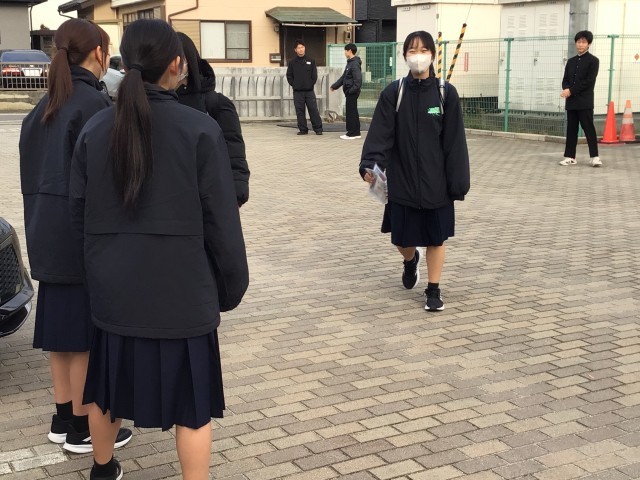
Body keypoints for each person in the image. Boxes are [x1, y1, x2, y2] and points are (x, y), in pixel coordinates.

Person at [69, 19, 249, 480]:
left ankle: (102, 470)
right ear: (176, 64)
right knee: (193, 408)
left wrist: (96, 277)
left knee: (106, 392)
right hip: (183, 295)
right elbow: (222, 223)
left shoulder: (96, 128)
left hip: (114, 293)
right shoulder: (200, 129)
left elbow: (78, 216)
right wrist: (229, 287)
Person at [19, 18, 133, 455]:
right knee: (84, 338)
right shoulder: (94, 105)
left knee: (59, 336)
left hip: (44, 234)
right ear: (99, 53)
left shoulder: (42, 107)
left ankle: (64, 417)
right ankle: (86, 425)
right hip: (82, 237)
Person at [359, 31, 470, 312]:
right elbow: (380, 134)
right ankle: (410, 260)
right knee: (401, 238)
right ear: (404, 56)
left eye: (423, 50)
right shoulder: (394, 92)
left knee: (436, 238)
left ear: (432, 54)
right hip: (402, 180)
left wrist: (457, 182)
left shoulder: (445, 93)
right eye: (412, 50)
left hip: (436, 183)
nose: (418, 56)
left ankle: (433, 290)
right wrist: (370, 165)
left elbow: (455, 142)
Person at [175, 32, 250, 207]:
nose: (174, 67)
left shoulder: (216, 103)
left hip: (210, 196)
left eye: (179, 60)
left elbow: (234, 149)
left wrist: (237, 193)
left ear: (190, 61)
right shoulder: (156, 103)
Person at [559, 30, 601, 167]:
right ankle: (570, 156)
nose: (580, 44)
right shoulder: (571, 61)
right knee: (571, 129)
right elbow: (565, 79)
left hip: (585, 101)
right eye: (578, 42)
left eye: (583, 42)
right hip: (571, 101)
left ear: (589, 44)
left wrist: (570, 91)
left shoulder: (593, 61)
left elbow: (588, 82)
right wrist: (566, 89)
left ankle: (594, 157)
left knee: (589, 129)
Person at [286, 40, 323, 135]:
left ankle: (318, 129)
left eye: (302, 47)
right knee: (300, 111)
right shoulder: (292, 62)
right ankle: (303, 129)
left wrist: (310, 84)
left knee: (313, 110)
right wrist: (294, 84)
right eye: (299, 48)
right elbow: (289, 75)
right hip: (297, 92)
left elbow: (314, 75)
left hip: (309, 91)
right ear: (295, 50)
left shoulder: (311, 60)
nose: (301, 49)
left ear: (305, 48)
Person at [331, 43, 362, 140]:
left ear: (349, 51)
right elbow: (344, 77)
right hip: (350, 91)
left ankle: (351, 133)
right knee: (353, 112)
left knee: (350, 113)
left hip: (352, 91)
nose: (344, 52)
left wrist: (351, 91)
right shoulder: (350, 63)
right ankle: (356, 132)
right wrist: (335, 86)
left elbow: (358, 80)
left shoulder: (354, 64)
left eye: (345, 50)